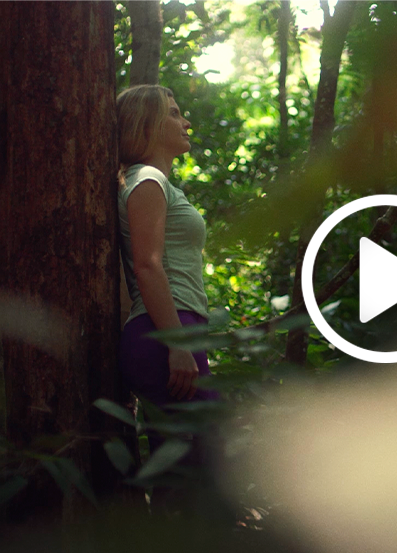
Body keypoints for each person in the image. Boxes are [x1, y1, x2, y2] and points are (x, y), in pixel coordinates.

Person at [115, 84, 224, 517]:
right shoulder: (147, 181)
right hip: (165, 333)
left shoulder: (150, 182)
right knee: (198, 468)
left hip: (172, 332)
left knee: (188, 469)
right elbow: (147, 266)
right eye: (175, 114)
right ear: (149, 124)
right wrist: (177, 345)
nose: (186, 122)